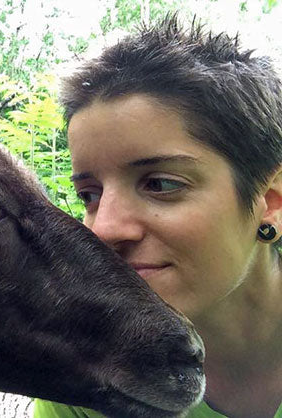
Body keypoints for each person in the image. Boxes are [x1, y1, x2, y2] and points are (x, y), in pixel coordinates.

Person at [34, 15, 282, 418]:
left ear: (270, 201)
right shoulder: (87, 380)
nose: (103, 230)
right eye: (89, 195)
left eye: (160, 184)